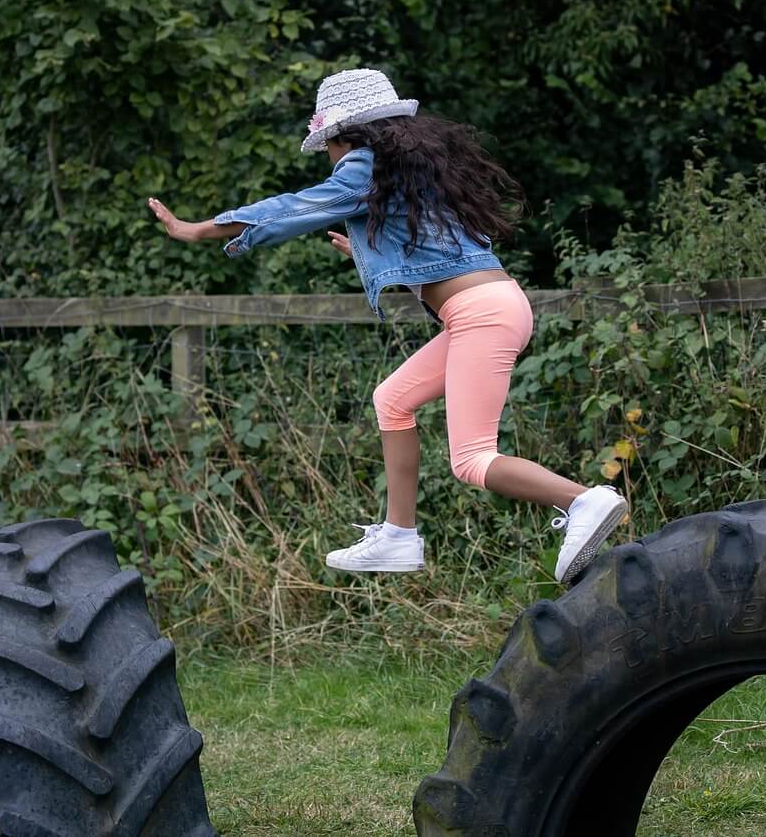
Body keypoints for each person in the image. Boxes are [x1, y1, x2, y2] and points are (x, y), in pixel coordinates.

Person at [146, 68, 627, 585]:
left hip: (481, 314)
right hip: (490, 307)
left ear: (344, 136)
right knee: (392, 400)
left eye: (327, 147)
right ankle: (399, 535)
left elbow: (297, 207)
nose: (330, 159)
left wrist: (201, 229)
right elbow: (434, 249)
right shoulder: (407, 171)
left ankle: (584, 500)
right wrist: (366, 251)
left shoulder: (363, 166)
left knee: (471, 459)